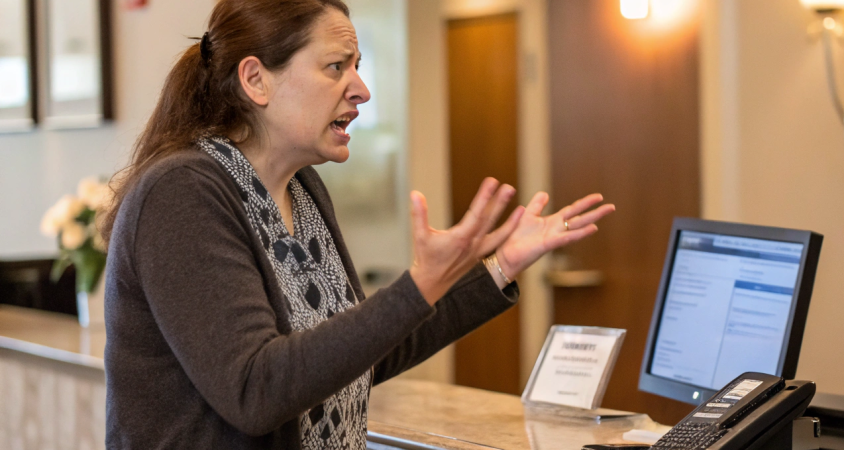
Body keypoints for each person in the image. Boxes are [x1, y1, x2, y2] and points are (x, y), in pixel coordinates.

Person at [100, 0, 615, 449]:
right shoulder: (183, 192)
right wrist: (419, 285)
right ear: (256, 79)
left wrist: (499, 267)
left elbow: (359, 361)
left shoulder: (302, 190)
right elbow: (256, 391)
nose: (362, 90)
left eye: (358, 66)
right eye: (335, 67)